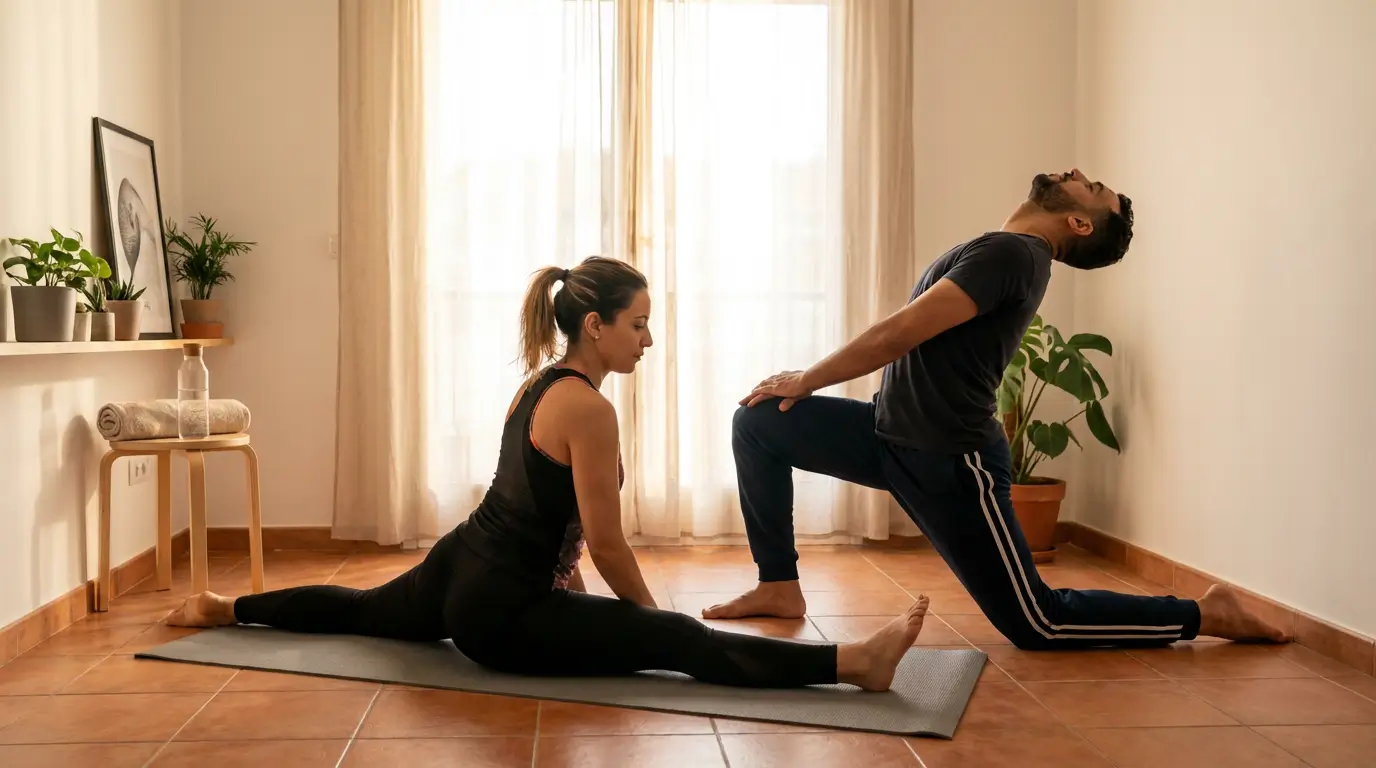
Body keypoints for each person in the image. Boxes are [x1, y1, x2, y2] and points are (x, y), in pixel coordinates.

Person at [168, 256, 930, 691]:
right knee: (678, 640)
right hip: (502, 616)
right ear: (595, 326)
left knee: (365, 609)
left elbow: (538, 509)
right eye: (638, 324)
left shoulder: (539, 384)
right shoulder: (589, 411)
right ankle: (854, 663)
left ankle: (222, 607)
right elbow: (606, 542)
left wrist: (577, 589)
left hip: (459, 564)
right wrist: (650, 622)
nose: (648, 339)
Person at [704, 170, 1290, 650]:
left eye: (1092, 188)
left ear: (1079, 223)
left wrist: (808, 379)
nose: (1077, 173)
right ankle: (779, 585)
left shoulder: (1014, 254)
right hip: (888, 435)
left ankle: (1205, 614)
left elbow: (899, 334)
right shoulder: (1002, 249)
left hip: (950, 461)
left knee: (1037, 621)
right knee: (758, 424)